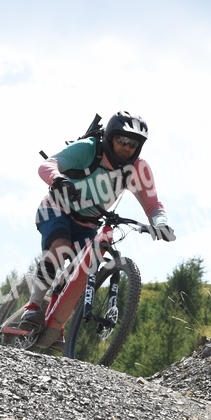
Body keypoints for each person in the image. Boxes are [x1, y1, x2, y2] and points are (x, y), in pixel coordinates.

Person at [21, 110, 176, 325]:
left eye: (133, 144)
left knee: (85, 272)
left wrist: (161, 224)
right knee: (60, 246)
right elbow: (47, 165)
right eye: (122, 140)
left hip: (88, 223)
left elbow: (153, 205)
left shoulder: (138, 168)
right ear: (110, 137)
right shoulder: (88, 148)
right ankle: (33, 307)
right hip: (56, 209)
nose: (127, 147)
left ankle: (56, 327)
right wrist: (57, 179)